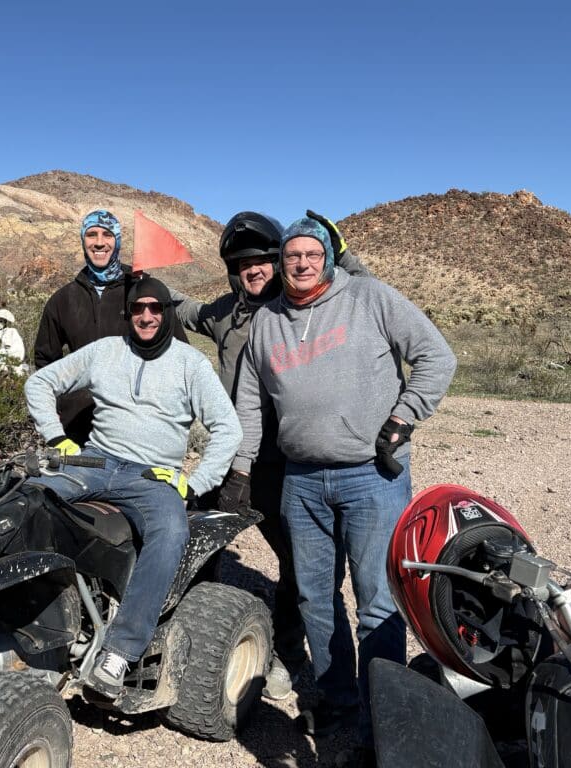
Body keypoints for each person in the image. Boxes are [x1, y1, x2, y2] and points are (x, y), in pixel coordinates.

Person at [226, 215, 456, 763]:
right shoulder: (267, 320)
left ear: (328, 256)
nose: (300, 264)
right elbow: (252, 402)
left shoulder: (371, 298)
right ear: (280, 263)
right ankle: (337, 700)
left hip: (371, 476)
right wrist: (239, 469)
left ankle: (384, 720)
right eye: (290, 257)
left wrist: (402, 421)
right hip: (301, 479)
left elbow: (436, 357)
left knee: (377, 601)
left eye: (310, 254)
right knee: (315, 596)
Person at [168, 210, 372, 700]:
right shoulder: (224, 313)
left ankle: (284, 649)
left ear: (277, 262)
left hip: (296, 459)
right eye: (242, 264)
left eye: (261, 260)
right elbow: (182, 309)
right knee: (198, 542)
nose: (253, 270)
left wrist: (343, 253)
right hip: (235, 456)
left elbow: (361, 293)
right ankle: (193, 636)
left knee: (302, 562)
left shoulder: (301, 305)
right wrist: (139, 283)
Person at [25, 276, 241, 695]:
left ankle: (120, 651)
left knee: (172, 530)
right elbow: (40, 382)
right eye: (138, 308)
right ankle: (25, 615)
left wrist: (193, 485)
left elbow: (227, 429)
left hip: (151, 475)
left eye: (155, 309)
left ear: (166, 313)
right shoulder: (106, 351)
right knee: (30, 497)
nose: (146, 316)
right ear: (129, 313)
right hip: (94, 462)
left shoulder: (189, 363)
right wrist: (57, 439)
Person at [33, 210, 187, 446]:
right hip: (76, 424)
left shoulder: (143, 291)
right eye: (91, 235)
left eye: (107, 235)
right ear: (82, 241)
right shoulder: (63, 299)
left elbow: (178, 351)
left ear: (117, 240)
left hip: (136, 425)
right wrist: (54, 408)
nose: (99, 243)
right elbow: (46, 360)